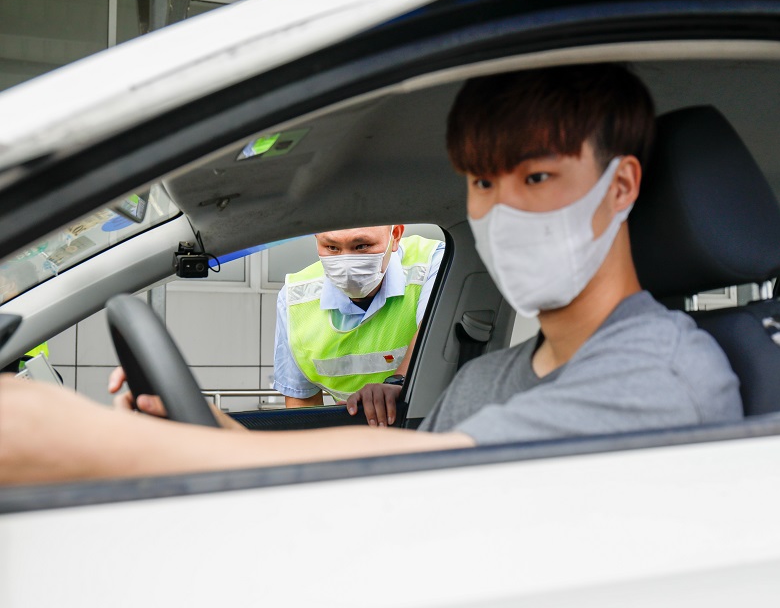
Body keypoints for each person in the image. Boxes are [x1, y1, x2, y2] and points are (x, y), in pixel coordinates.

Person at [0, 63, 742, 484]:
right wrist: (217, 428)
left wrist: (71, 438)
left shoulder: (665, 374)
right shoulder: (485, 381)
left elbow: (453, 471)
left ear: (620, 186)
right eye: (482, 183)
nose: (499, 211)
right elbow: (403, 493)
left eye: (537, 177)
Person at [272, 225, 443, 422]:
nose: (346, 264)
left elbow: (433, 335)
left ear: (395, 236)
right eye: (332, 247)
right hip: (353, 432)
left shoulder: (432, 263)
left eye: (362, 246)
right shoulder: (295, 298)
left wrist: (397, 384)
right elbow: (302, 407)